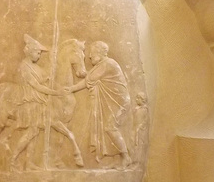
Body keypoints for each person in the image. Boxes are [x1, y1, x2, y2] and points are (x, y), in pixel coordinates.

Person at [67, 41, 131, 169]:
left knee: (109, 127)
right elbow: (89, 77)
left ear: (100, 53)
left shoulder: (108, 64)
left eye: (92, 53)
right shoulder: (102, 65)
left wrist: (72, 88)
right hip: (110, 102)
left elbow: (89, 79)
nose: (89, 56)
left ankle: (126, 157)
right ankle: (114, 159)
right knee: (106, 128)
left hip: (118, 102)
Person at [10, 35, 62, 170]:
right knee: (31, 132)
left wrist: (53, 59)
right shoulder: (25, 67)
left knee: (34, 133)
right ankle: (12, 160)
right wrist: (54, 92)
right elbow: (37, 86)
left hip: (38, 103)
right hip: (29, 103)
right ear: (30, 51)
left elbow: (46, 76)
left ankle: (29, 163)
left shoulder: (34, 67)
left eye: (40, 53)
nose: (39, 56)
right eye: (38, 53)